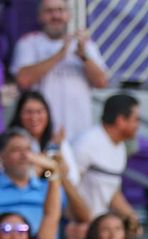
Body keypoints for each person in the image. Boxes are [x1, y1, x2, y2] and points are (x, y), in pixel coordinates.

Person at [12, 0, 109, 139]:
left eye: (60, 10)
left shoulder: (85, 45)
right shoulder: (28, 43)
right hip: (41, 134)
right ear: (39, 16)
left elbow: (102, 82)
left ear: (69, 15)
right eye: (49, 11)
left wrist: (84, 56)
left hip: (80, 131)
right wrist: (60, 54)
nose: (56, 15)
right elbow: (23, 80)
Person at [73, 93, 140, 221]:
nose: (138, 125)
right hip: (78, 224)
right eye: (136, 119)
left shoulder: (120, 146)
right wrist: (84, 218)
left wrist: (132, 218)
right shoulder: (87, 142)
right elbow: (68, 186)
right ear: (120, 120)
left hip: (98, 225)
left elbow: (112, 191)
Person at [0, 129, 70, 233]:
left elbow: (80, 217)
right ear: (2, 156)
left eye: (28, 150)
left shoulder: (48, 187)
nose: (25, 156)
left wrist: (55, 171)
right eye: (16, 150)